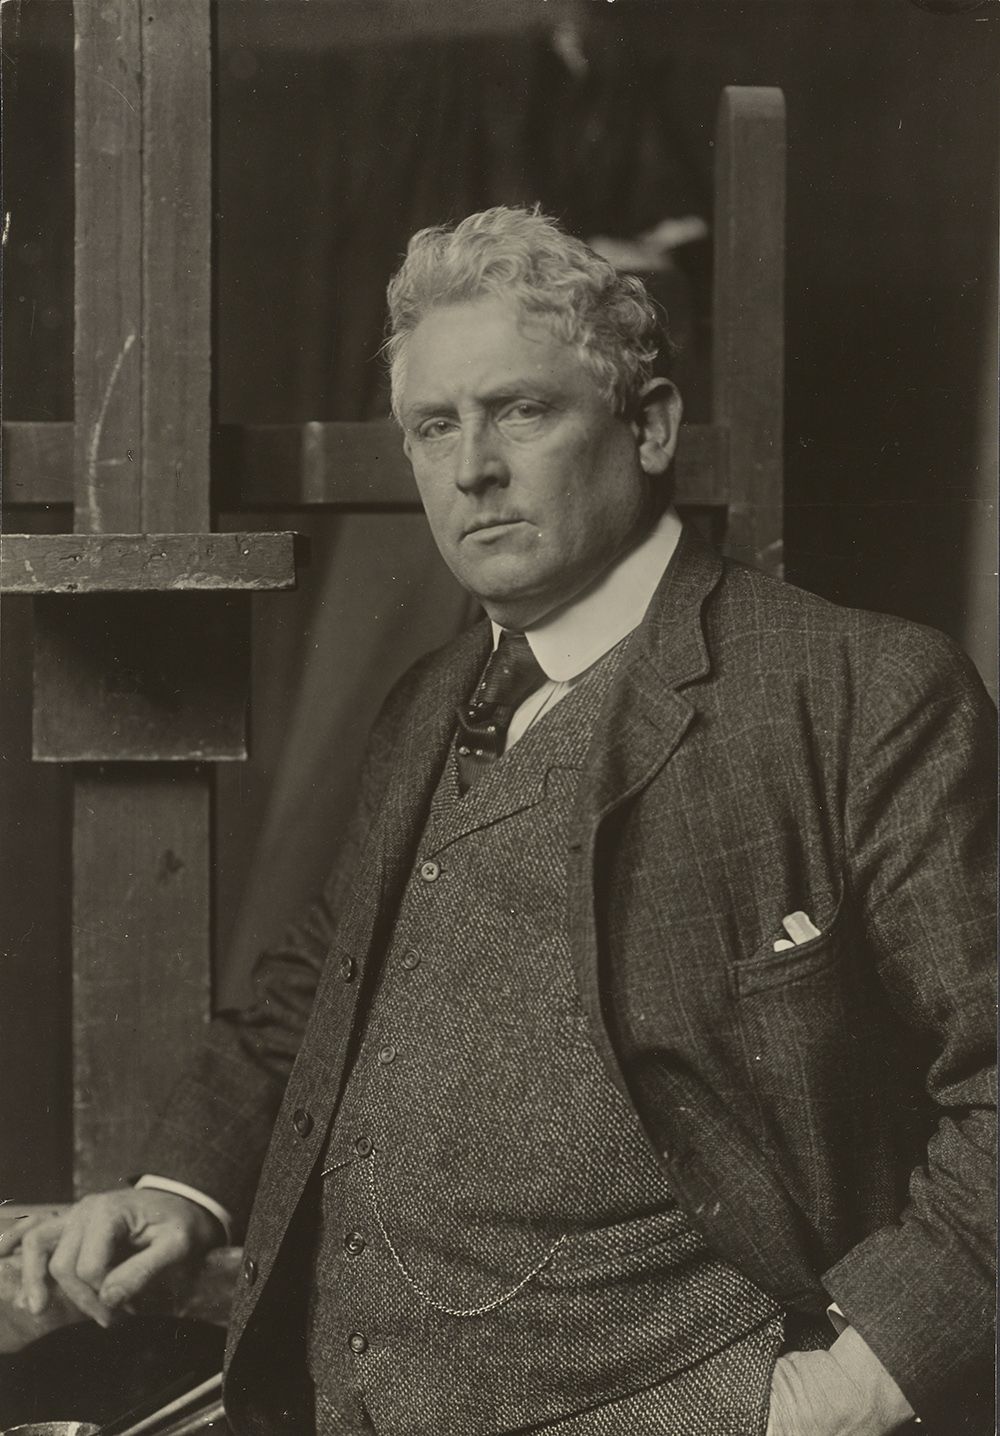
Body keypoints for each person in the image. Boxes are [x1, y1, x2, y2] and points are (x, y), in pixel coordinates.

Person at [2, 208, 994, 1436]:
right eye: (434, 425)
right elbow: (328, 973)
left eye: (520, 410)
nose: (471, 466)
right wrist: (181, 1189)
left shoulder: (857, 693)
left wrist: (849, 1390)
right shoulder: (428, 700)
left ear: (649, 426)